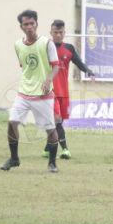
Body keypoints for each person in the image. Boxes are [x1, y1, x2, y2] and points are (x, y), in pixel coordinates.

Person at [0, 9, 61, 173]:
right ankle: (14, 158)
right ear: (21, 27)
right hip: (24, 92)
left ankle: (52, 163)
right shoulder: (18, 45)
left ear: (36, 24)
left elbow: (56, 66)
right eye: (25, 24)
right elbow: (25, 66)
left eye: (32, 23)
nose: (29, 27)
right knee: (12, 123)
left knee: (50, 129)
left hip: (43, 94)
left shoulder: (47, 43)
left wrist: (48, 79)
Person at [40, 19, 95, 159]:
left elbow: (78, 62)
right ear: (50, 33)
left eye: (60, 32)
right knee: (57, 120)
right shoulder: (45, 47)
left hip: (64, 92)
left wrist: (88, 70)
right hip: (50, 92)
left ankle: (48, 148)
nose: (58, 35)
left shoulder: (69, 48)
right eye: (55, 32)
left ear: (64, 33)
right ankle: (65, 150)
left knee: (57, 122)